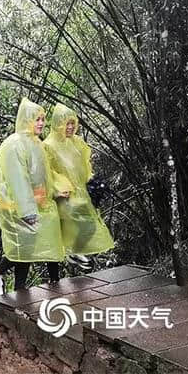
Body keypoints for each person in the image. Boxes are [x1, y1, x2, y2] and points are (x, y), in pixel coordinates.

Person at [0, 98, 67, 296]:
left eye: (42, 119)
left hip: (37, 203)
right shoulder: (14, 144)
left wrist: (55, 192)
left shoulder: (36, 143)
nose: (41, 123)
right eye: (36, 119)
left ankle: (22, 290)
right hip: (17, 206)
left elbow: (44, 176)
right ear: (25, 120)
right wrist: (27, 210)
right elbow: (17, 180)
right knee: (23, 245)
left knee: (32, 247)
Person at [43, 103, 114, 269]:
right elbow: (46, 172)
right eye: (66, 123)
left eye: (72, 123)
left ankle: (74, 251)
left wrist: (93, 183)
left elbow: (85, 165)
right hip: (63, 194)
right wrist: (55, 190)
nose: (69, 127)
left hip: (80, 191)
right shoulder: (48, 145)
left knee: (90, 224)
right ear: (57, 123)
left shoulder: (76, 142)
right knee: (71, 222)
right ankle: (70, 253)